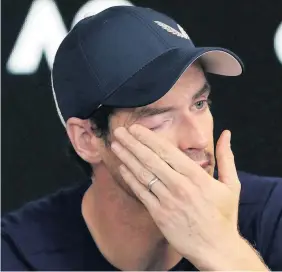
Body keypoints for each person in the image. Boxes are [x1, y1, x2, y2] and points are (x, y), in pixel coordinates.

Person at [2, 5, 282, 271]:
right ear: (87, 139)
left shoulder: (272, 213)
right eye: (159, 119)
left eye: (199, 104)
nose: (197, 139)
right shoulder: (19, 254)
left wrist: (225, 251)